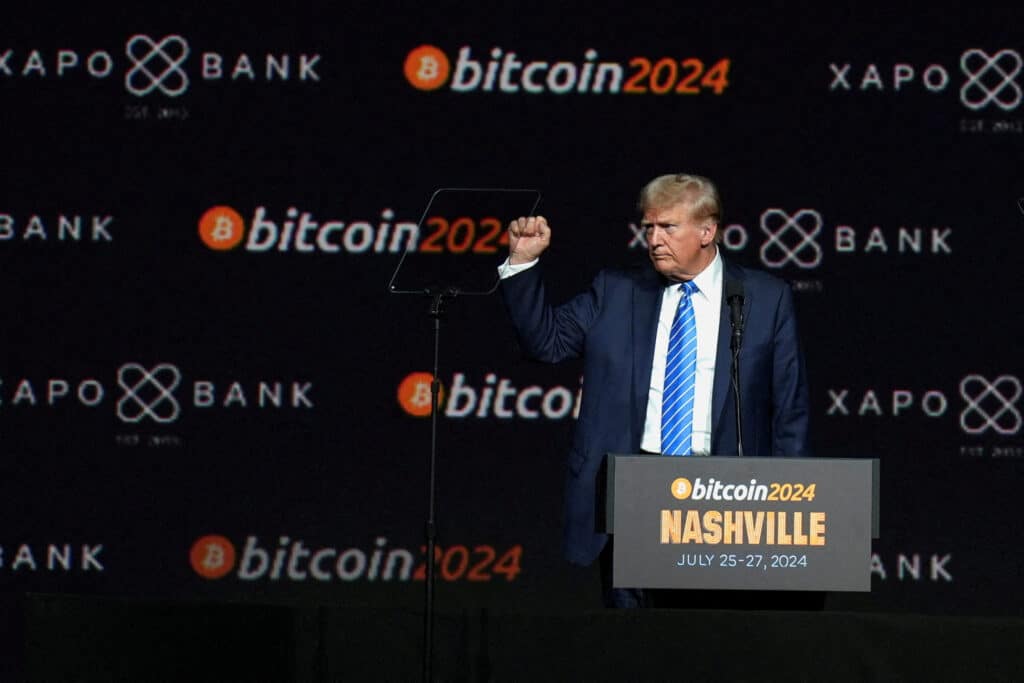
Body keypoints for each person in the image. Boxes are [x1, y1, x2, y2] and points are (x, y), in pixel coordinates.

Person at [498, 173, 811, 608]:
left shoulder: (764, 297)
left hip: (723, 500)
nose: (654, 240)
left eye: (668, 227)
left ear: (707, 230)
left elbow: (789, 409)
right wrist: (522, 263)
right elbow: (546, 343)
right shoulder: (615, 290)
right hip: (632, 493)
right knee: (635, 645)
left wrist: (783, 506)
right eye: (649, 228)